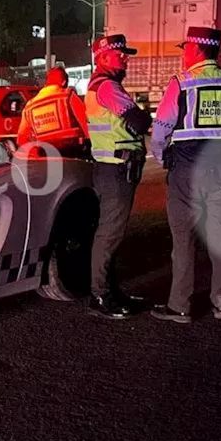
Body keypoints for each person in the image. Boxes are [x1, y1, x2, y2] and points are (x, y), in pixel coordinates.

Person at [149, 26, 221, 324]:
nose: (183, 54)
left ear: (196, 49)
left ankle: (180, 306)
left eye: (186, 48)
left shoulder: (183, 83)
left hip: (187, 169)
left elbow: (162, 129)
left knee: (183, 239)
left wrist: (161, 156)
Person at [84, 34, 153, 319]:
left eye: (125, 54)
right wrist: (146, 115)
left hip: (110, 167)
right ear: (102, 58)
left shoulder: (99, 86)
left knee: (110, 233)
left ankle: (110, 291)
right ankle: (100, 296)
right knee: (110, 234)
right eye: (119, 54)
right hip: (116, 169)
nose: (125, 59)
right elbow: (138, 122)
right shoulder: (108, 88)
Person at [17, 66, 89, 158]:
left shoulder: (29, 106)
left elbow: (21, 139)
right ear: (64, 82)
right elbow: (86, 123)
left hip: (46, 157)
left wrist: (35, 153)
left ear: (46, 83)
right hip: (73, 154)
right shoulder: (68, 96)